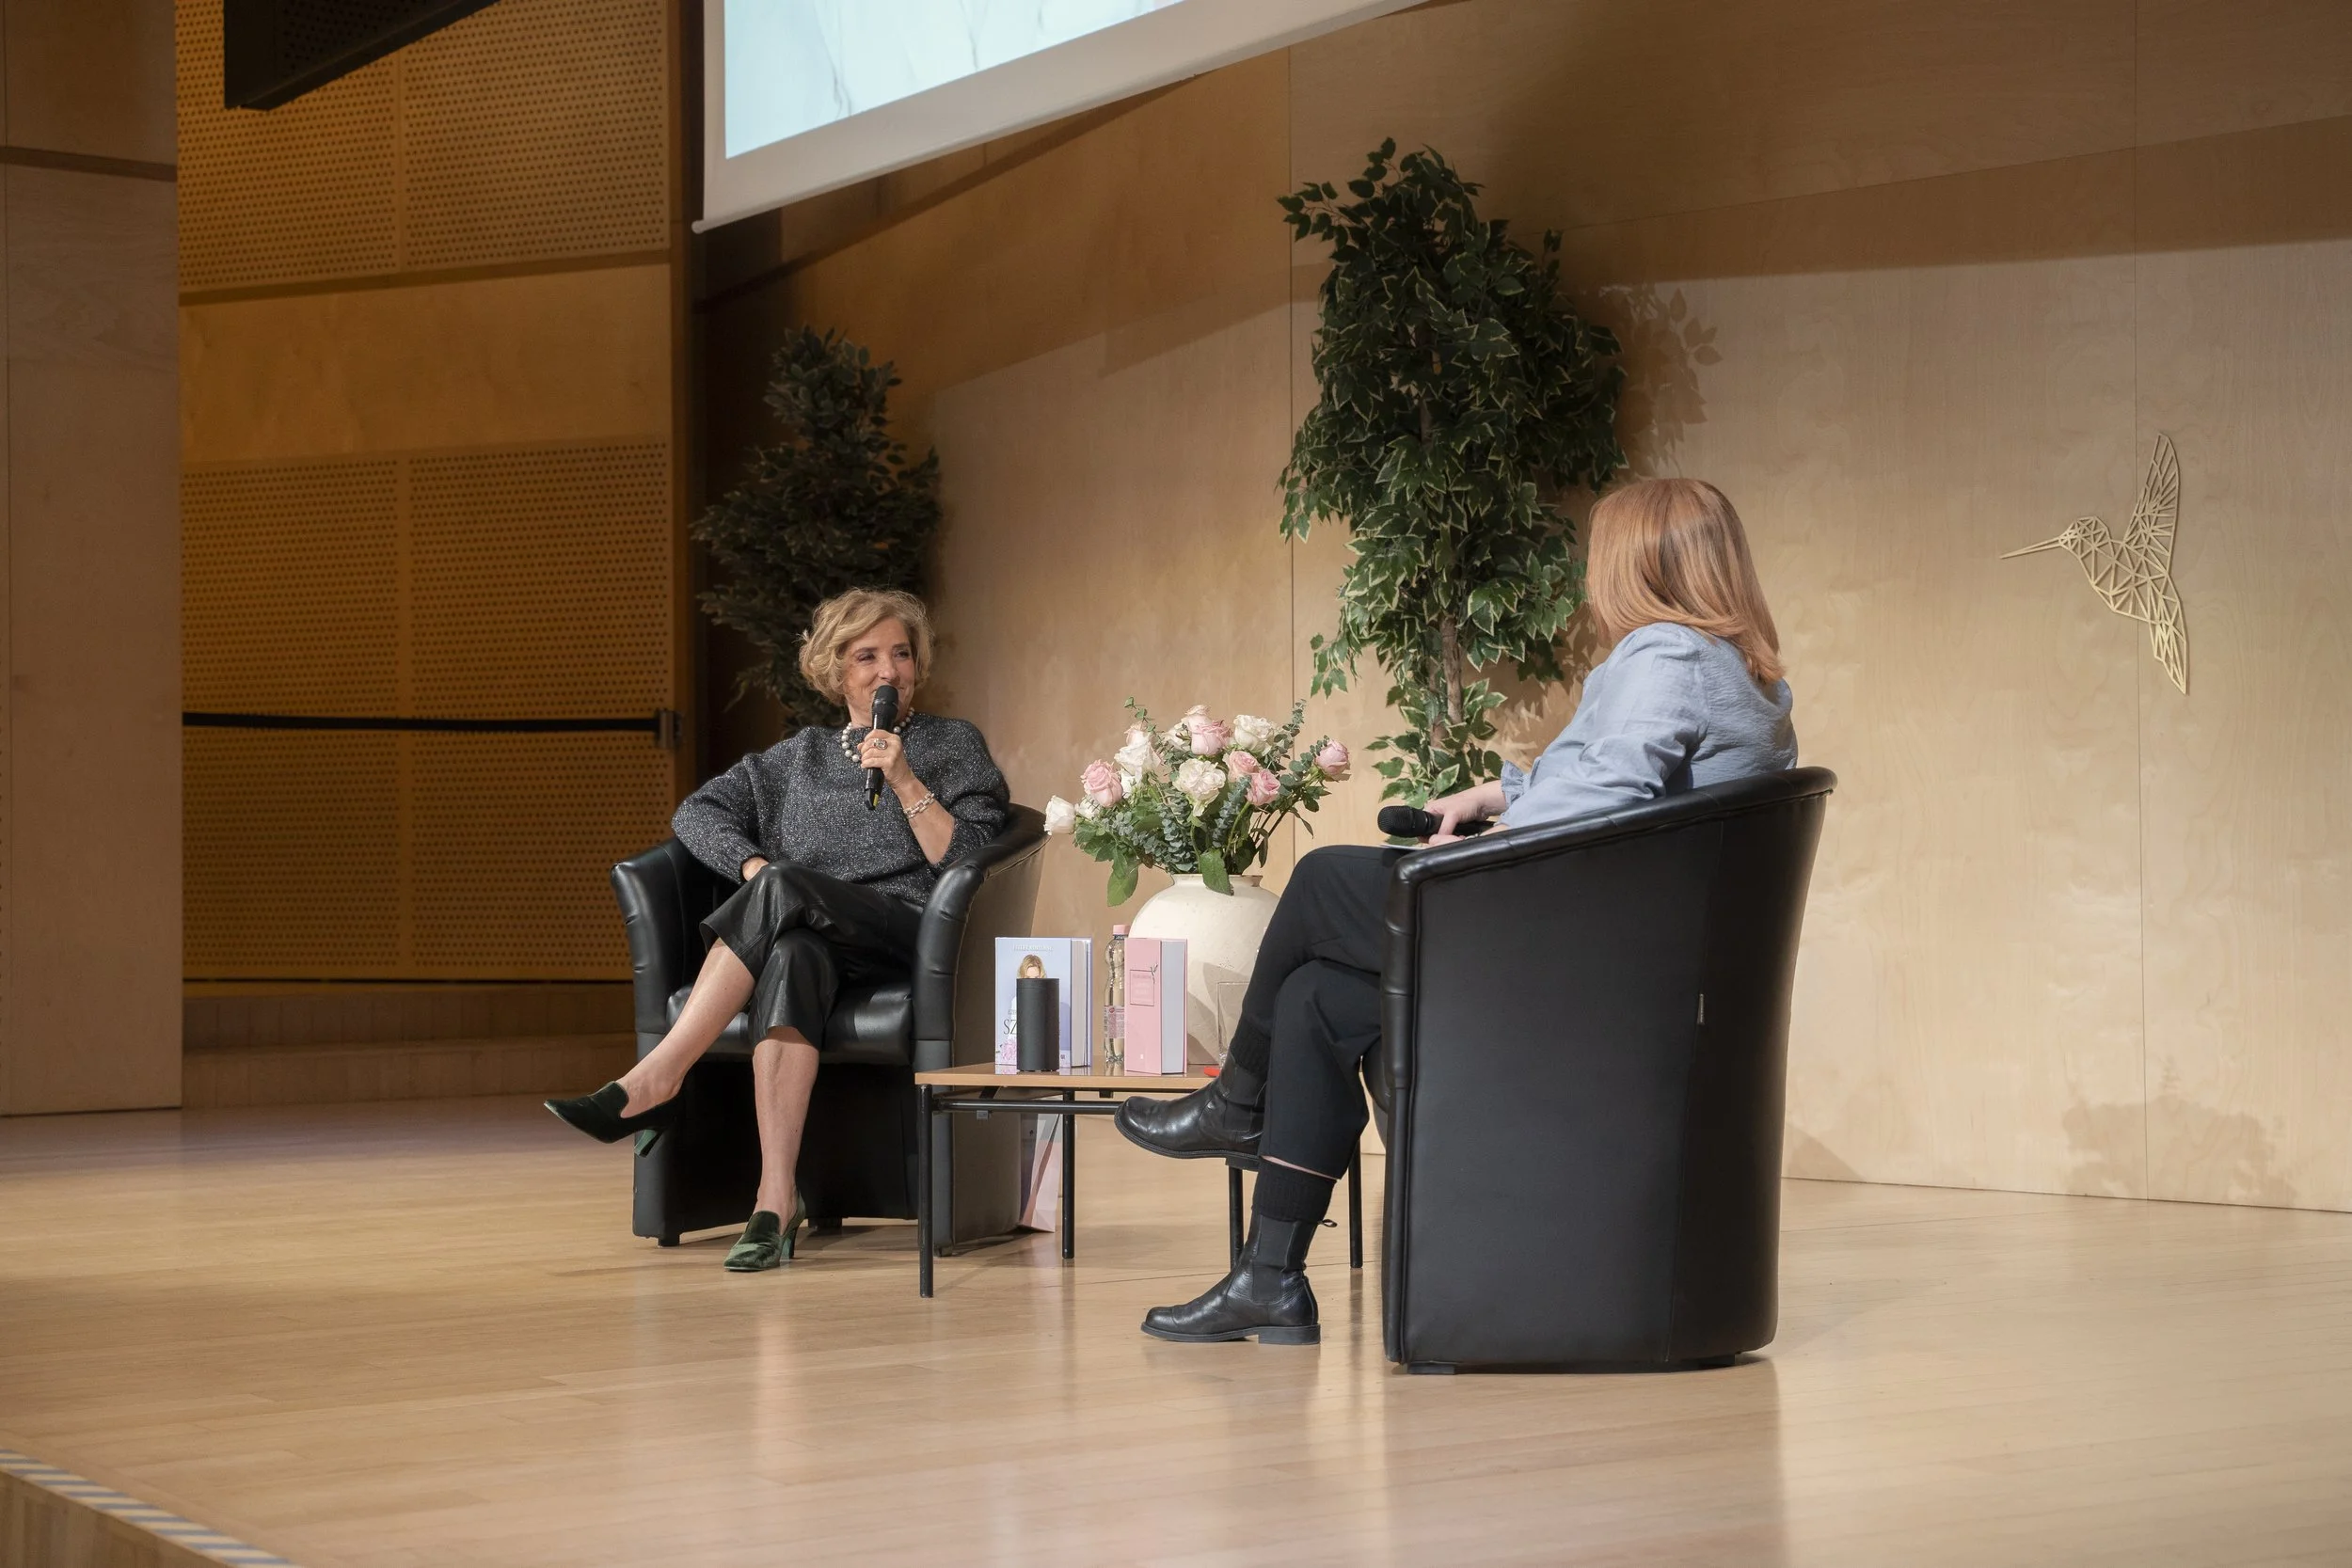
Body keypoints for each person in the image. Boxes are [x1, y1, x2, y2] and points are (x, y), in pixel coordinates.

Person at [1116, 477, 1799, 1344]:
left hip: (1561, 946)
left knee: (1325, 878)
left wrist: (1476, 854)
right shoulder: (1744, 675)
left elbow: (1611, 796)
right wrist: (1496, 795)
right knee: (1319, 998)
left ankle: (1237, 1096)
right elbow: (1615, 786)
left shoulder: (1666, 651)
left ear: (1636, 564)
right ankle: (1269, 1276)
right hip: (1608, 941)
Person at [548, 589, 1009, 1272]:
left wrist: (906, 779)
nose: (889, 670)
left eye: (901, 654)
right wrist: (756, 866)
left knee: (785, 889)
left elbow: (969, 857)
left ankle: (657, 1079)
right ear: (836, 671)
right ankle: (773, 1200)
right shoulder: (797, 759)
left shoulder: (951, 744)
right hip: (814, 935)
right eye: (868, 656)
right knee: (792, 954)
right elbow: (697, 813)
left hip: (908, 932)